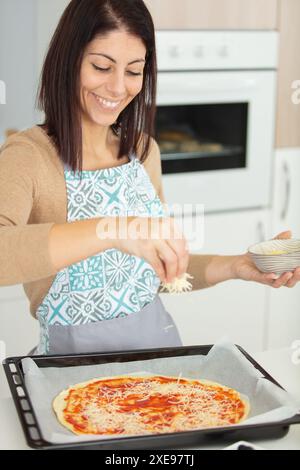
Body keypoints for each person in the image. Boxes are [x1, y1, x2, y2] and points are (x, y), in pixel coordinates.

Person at [0, 0, 299, 356]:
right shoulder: (28, 156)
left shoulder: (143, 152)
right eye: (101, 66)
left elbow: (156, 274)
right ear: (68, 61)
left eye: (133, 71)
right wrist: (114, 230)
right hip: (71, 377)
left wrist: (236, 266)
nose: (117, 87)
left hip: (158, 368)